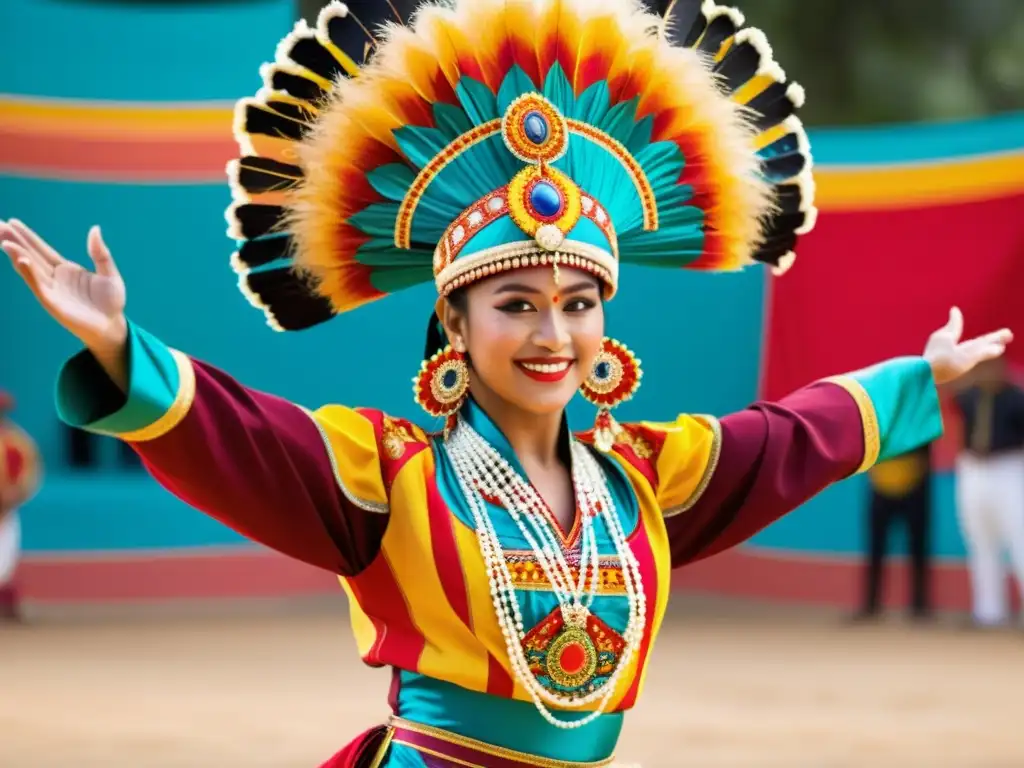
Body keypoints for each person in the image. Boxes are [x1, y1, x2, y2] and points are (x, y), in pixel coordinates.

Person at [1, 0, 1013, 764]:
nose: (552, 333)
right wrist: (121, 351)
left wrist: (918, 379)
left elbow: (792, 439)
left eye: (578, 304)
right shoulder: (387, 475)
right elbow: (245, 438)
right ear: (455, 320)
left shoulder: (645, 480)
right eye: (517, 304)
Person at [952, 357, 1024, 628]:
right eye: (983, 367)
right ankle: (989, 611)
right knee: (979, 539)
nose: (988, 373)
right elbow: (943, 391)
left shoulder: (1017, 398)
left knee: (1020, 539)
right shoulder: (969, 396)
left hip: (1009, 468)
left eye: (994, 367)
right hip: (973, 469)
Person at [855, 444, 934, 621]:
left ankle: (920, 606)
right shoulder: (876, 417)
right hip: (881, 482)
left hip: (916, 481)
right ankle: (871, 605)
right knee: (875, 547)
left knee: (918, 546)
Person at [0, 392, 41, 622]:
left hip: (6, 508)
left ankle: (6, 606)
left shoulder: (17, 441)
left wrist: (15, 495)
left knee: (4, 560)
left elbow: (29, 473)